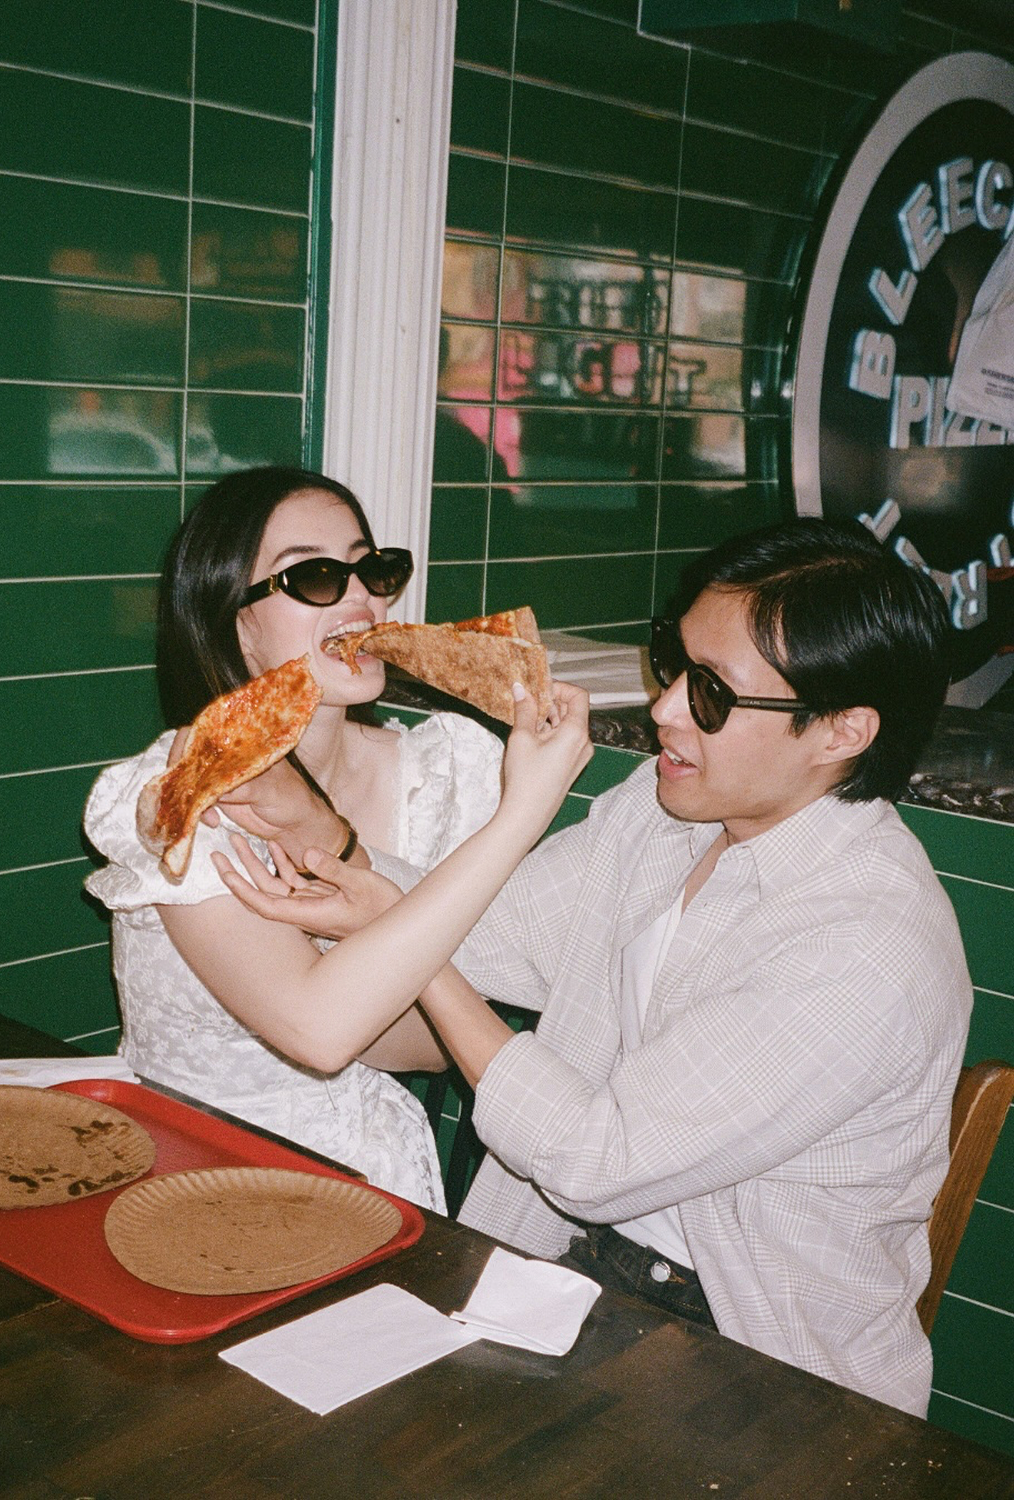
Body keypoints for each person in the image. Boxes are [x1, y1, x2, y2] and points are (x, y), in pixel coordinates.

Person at [219, 516, 972, 1417]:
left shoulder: (866, 943)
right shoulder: (662, 815)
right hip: (572, 1266)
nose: (664, 710)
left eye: (712, 694)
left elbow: (596, 1159)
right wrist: (327, 839)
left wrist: (421, 965)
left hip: (760, 1364)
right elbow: (489, 933)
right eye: (672, 660)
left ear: (841, 732)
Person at [84, 465, 518, 1211]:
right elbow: (322, 1033)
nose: (360, 599)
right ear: (234, 621)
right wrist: (406, 983)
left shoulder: (441, 771)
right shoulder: (194, 785)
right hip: (190, 1179)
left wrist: (406, 997)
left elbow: (440, 1042)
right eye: (314, 576)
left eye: (372, 569)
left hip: (377, 1176)